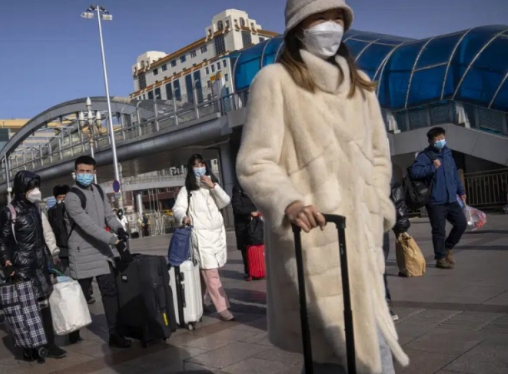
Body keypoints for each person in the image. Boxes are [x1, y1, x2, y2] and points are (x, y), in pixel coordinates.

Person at [235, 0, 409, 372]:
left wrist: (378, 204)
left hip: (362, 238)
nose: (330, 26)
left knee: (363, 344)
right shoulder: (275, 80)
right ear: (299, 25)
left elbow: (380, 156)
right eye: (321, 17)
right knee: (338, 350)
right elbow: (255, 161)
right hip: (313, 237)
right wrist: (289, 202)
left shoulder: (361, 88)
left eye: (337, 18)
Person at [0, 171, 67, 362]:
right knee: (25, 308)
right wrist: (8, 264)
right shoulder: (9, 212)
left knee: (44, 306)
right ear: (22, 189)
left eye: (37, 187)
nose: (35, 191)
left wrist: (51, 257)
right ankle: (29, 347)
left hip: (40, 264)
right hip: (21, 267)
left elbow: (43, 235)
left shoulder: (36, 208)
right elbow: (1, 242)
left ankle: (49, 344)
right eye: (31, 187)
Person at [64, 155, 132, 348]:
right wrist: (114, 240)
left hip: (101, 252)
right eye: (81, 171)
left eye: (88, 171)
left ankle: (115, 334)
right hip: (82, 252)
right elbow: (88, 226)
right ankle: (72, 329)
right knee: (81, 295)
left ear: (94, 172)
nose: (84, 174)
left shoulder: (99, 190)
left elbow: (108, 215)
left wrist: (119, 228)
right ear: (75, 172)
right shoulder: (72, 197)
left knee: (110, 291)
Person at [173, 154, 234, 321]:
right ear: (190, 168)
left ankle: (198, 302)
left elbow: (225, 202)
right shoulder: (188, 190)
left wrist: (213, 186)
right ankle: (222, 307)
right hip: (200, 235)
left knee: (203, 273)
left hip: (216, 234)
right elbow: (178, 208)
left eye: (201, 163)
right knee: (211, 272)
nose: (199, 167)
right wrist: (183, 217)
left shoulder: (211, 186)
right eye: (195, 164)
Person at [409, 127, 466, 270]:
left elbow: (454, 174)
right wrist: (432, 168)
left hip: (451, 199)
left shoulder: (448, 154)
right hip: (435, 201)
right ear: (430, 141)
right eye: (436, 139)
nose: (440, 141)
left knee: (461, 224)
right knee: (439, 230)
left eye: (442, 138)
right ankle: (440, 258)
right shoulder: (425, 156)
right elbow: (415, 172)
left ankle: (447, 247)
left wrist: (461, 191)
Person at [385, 164, 411, 321]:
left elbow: (394, 190)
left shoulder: (373, 153)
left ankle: (384, 305)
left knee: (377, 266)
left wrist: (401, 223)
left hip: (375, 222)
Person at [231, 185, 260, 281]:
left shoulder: (255, 188)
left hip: (256, 223)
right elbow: (237, 208)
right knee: (246, 249)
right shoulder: (237, 190)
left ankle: (259, 269)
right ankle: (249, 271)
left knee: (259, 246)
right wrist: (251, 212)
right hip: (243, 225)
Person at [48, 185, 71, 273]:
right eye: (59, 198)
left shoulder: (72, 208)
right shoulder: (51, 211)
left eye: (64, 197)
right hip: (60, 250)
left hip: (74, 248)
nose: (62, 200)